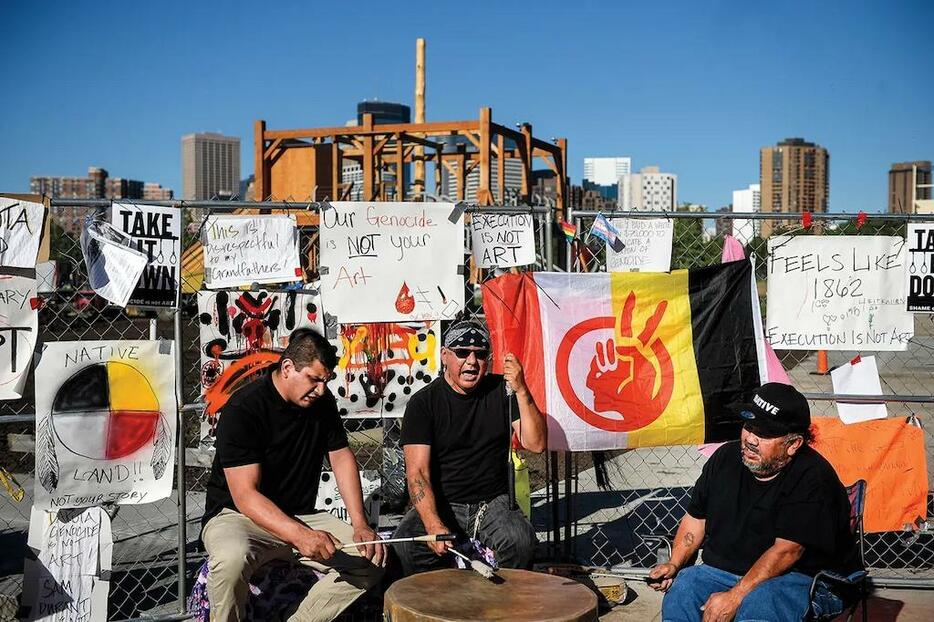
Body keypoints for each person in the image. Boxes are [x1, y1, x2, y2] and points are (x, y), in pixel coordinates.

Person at [201, 328, 384, 622]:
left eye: (325, 381)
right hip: (239, 516)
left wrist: (360, 523)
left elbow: (340, 456)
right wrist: (300, 536)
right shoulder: (244, 408)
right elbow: (245, 495)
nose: (321, 390)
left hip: (302, 515)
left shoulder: (321, 403)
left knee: (371, 559)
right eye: (314, 379)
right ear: (287, 368)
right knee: (231, 559)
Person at [648, 383, 861, 622]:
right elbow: (696, 518)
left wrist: (734, 597)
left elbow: (787, 551)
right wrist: (675, 564)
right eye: (749, 426)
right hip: (726, 572)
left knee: (761, 604)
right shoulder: (724, 459)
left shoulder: (813, 477)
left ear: (793, 445)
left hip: (805, 579)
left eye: (764, 433)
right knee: (684, 588)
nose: (750, 438)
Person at [393, 318, 547, 575]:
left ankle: (504, 607)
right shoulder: (424, 403)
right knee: (406, 548)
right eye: (462, 353)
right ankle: (442, 603)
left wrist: (521, 390)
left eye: (481, 354)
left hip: (492, 501)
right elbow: (417, 473)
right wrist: (432, 524)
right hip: (443, 501)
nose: (472, 362)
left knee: (521, 541)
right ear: (444, 355)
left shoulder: (503, 391)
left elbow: (537, 443)